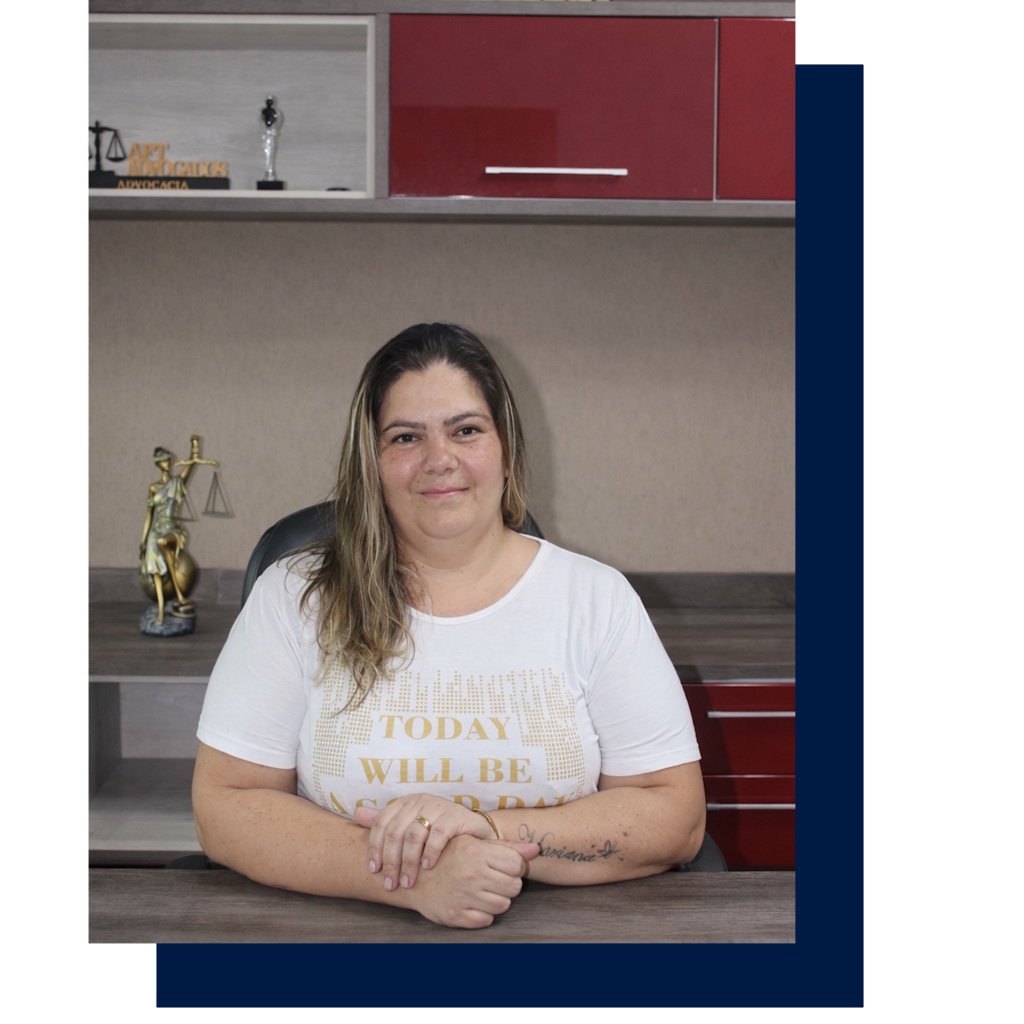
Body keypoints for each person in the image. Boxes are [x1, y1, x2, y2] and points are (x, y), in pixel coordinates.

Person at [193, 323, 705, 929]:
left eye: (466, 430)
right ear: (372, 464)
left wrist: (485, 832)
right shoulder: (294, 596)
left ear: (506, 449)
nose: (439, 460)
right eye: (406, 437)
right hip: (346, 928)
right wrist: (414, 880)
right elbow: (225, 806)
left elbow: (676, 818)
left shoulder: (596, 599)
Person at [140, 437, 217, 625]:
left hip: (173, 529)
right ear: (158, 464)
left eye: (167, 459)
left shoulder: (176, 482)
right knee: (152, 557)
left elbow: (190, 465)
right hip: (156, 530)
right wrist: (143, 540)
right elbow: (149, 515)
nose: (166, 463)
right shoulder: (153, 488)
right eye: (162, 461)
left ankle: (180, 595)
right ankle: (161, 608)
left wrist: (194, 448)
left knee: (163, 543)